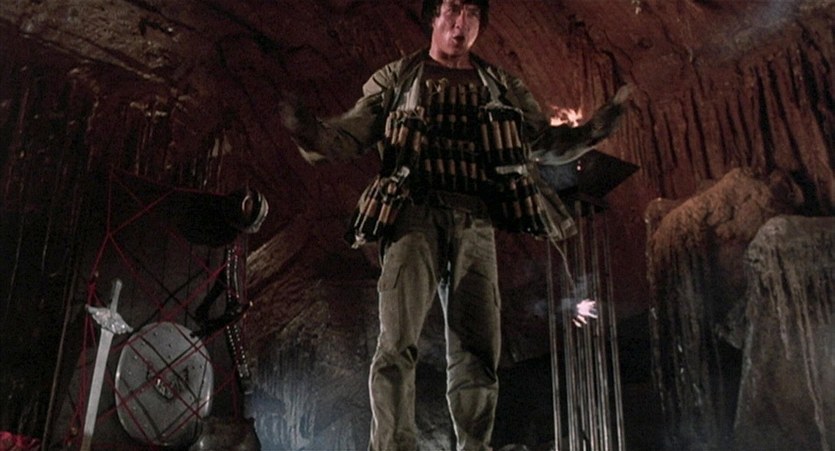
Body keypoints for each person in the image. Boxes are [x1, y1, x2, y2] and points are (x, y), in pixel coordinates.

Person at [279, 0, 625, 449]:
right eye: (453, 9)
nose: (461, 22)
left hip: (474, 221)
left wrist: (594, 130)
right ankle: (393, 444)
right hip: (412, 216)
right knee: (396, 342)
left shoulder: (500, 85)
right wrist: (310, 132)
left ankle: (474, 445)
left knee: (477, 347)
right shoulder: (399, 79)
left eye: (473, 13)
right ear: (434, 16)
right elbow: (349, 134)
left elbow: (542, 141)